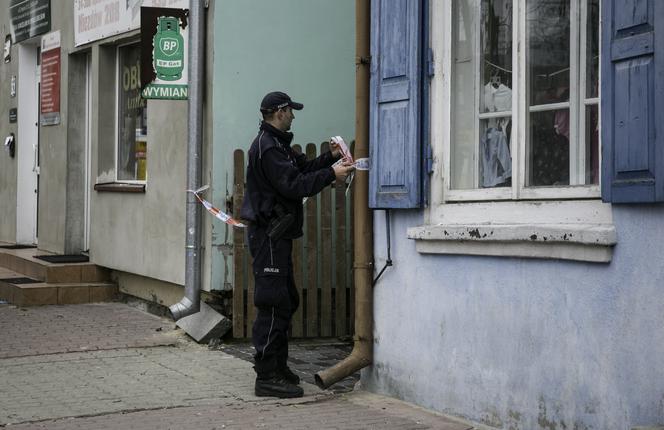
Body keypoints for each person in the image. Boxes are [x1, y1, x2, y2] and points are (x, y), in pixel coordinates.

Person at [240, 91, 354, 398]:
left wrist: (330, 158)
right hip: (269, 236)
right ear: (278, 112)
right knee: (274, 302)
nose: (294, 116)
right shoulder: (268, 147)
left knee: (286, 299)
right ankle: (266, 376)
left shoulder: (278, 144)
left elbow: (301, 170)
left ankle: (277, 367)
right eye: (291, 111)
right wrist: (332, 173)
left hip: (278, 235)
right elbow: (293, 186)